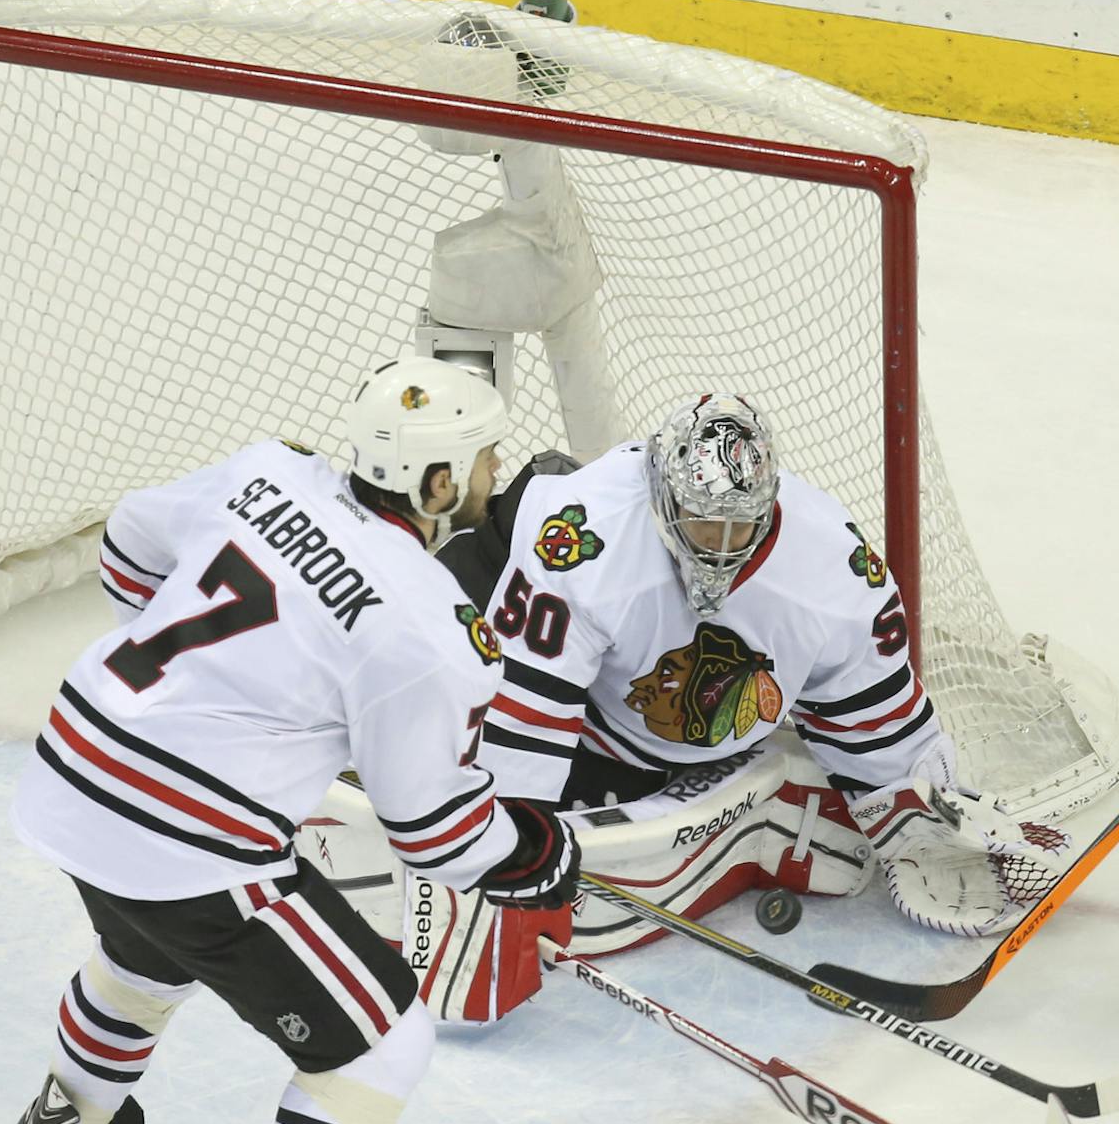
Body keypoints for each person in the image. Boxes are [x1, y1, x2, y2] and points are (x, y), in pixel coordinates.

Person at [0, 356, 580, 1124]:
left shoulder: (269, 473)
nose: (489, 477)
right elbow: (433, 829)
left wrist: (238, 689)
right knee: (384, 1041)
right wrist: (531, 858)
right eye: (481, 461)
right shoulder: (431, 629)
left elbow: (129, 543)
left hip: (74, 765)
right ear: (437, 486)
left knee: (147, 944)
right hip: (183, 834)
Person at [405, 391, 1064, 1024]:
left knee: (601, 863)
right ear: (662, 496)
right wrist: (498, 850)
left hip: (659, 732)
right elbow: (524, 720)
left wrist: (919, 808)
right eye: (702, 519)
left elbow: (875, 706)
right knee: (423, 668)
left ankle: (744, 805)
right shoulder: (582, 540)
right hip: (538, 628)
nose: (721, 542)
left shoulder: (834, 565)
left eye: (740, 522)